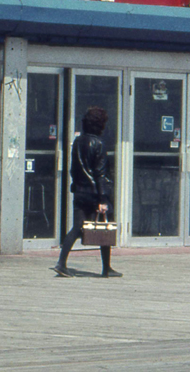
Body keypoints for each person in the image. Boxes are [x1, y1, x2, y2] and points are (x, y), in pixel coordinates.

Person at [54, 106, 122, 278]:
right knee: (106, 226)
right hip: (94, 193)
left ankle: (61, 263)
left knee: (77, 227)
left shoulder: (78, 141)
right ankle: (106, 268)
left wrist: (76, 185)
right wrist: (103, 198)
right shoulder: (98, 144)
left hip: (80, 191)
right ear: (100, 125)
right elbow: (100, 173)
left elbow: (73, 168)